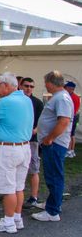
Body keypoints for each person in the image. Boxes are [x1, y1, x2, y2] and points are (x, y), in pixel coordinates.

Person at [0, 72, 33, 233]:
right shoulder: (26, 99)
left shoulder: (5, 102)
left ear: (5, 85)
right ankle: (17, 218)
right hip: (25, 147)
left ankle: (9, 222)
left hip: (9, 149)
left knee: (8, 188)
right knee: (19, 187)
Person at [33, 71, 73, 222]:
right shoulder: (60, 97)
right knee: (53, 175)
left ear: (50, 82)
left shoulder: (61, 98)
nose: (45, 85)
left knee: (54, 176)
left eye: (45, 82)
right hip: (53, 143)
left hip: (54, 144)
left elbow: (63, 121)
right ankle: (53, 203)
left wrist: (50, 138)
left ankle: (52, 212)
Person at [20, 78, 45, 209]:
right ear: (20, 86)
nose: (29, 88)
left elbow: (42, 123)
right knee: (17, 169)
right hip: (17, 141)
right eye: (26, 86)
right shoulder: (16, 101)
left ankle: (34, 197)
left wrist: (33, 132)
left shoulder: (38, 103)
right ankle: (14, 194)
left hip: (32, 141)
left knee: (33, 170)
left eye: (31, 86)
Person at [64, 81, 79, 158]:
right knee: (72, 134)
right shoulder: (75, 96)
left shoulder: (72, 97)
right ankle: (71, 150)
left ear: (70, 89)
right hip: (74, 116)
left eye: (65, 87)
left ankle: (69, 150)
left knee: (70, 134)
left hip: (72, 117)